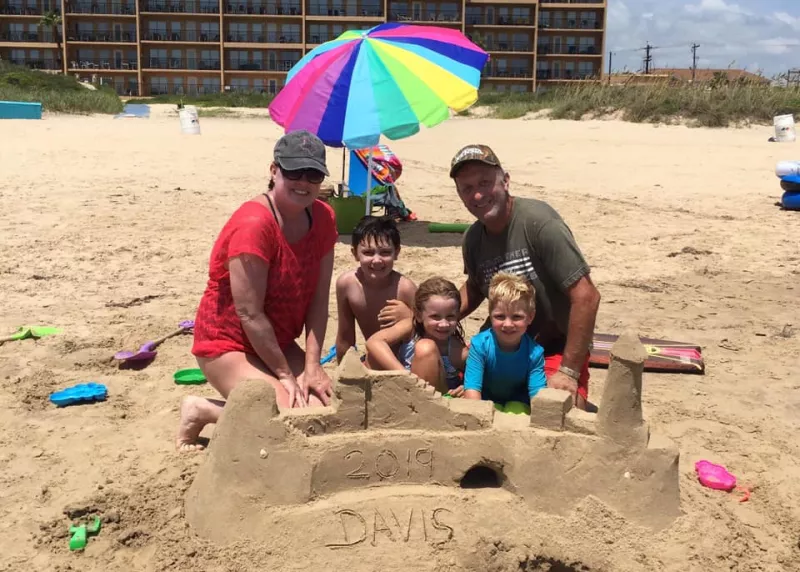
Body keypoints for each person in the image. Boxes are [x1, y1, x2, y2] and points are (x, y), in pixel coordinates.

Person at [176, 130, 338, 452]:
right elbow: (249, 313)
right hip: (227, 342)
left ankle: (244, 400)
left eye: (313, 174)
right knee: (288, 422)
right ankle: (202, 410)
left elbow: (320, 300)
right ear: (274, 170)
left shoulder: (324, 217)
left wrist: (312, 366)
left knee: (327, 416)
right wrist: (285, 375)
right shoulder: (254, 223)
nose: (303, 181)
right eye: (293, 171)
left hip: (274, 340)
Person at [450, 143, 601, 410]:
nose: (477, 195)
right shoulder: (473, 238)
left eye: (485, 183)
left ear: (505, 181)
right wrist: (426, 315)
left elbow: (587, 296)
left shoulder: (539, 224)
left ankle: (584, 404)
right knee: (454, 390)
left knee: (559, 409)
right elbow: (474, 288)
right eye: (467, 188)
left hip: (553, 347)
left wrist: (569, 371)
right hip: (502, 344)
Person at [365, 277, 468, 397]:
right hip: (405, 387)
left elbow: (482, 374)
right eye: (435, 317)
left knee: (426, 347)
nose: (444, 324)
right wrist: (404, 375)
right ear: (419, 315)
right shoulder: (411, 327)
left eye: (450, 317)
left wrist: (466, 387)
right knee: (373, 355)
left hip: (435, 399)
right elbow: (374, 341)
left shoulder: (457, 350)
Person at [335, 215, 417, 363]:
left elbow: (430, 331)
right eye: (368, 253)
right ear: (355, 254)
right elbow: (345, 336)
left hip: (407, 360)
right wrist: (342, 373)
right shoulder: (347, 285)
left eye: (385, 252)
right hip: (374, 359)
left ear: (396, 252)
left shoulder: (404, 288)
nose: (377, 260)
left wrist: (410, 317)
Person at [463, 272, 546, 408]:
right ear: (490, 315)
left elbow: (538, 395)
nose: (507, 324)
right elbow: (472, 389)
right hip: (485, 402)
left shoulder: (534, 353)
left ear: (530, 317)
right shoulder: (480, 345)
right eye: (500, 316)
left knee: (516, 408)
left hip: (518, 403)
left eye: (517, 317)